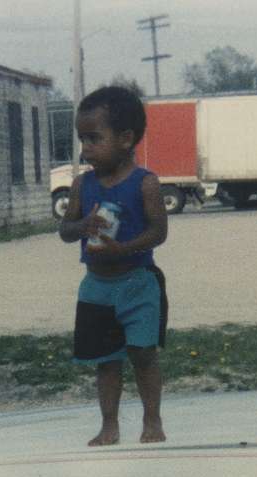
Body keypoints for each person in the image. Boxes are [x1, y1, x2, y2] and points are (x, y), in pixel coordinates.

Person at [59, 86, 169, 446]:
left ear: (126, 138)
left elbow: (158, 233)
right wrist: (80, 227)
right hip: (96, 286)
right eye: (82, 139)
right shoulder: (81, 185)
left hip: (138, 283)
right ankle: (109, 426)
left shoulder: (145, 184)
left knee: (143, 354)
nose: (85, 148)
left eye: (94, 138)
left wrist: (123, 248)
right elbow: (65, 230)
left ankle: (152, 422)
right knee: (105, 360)